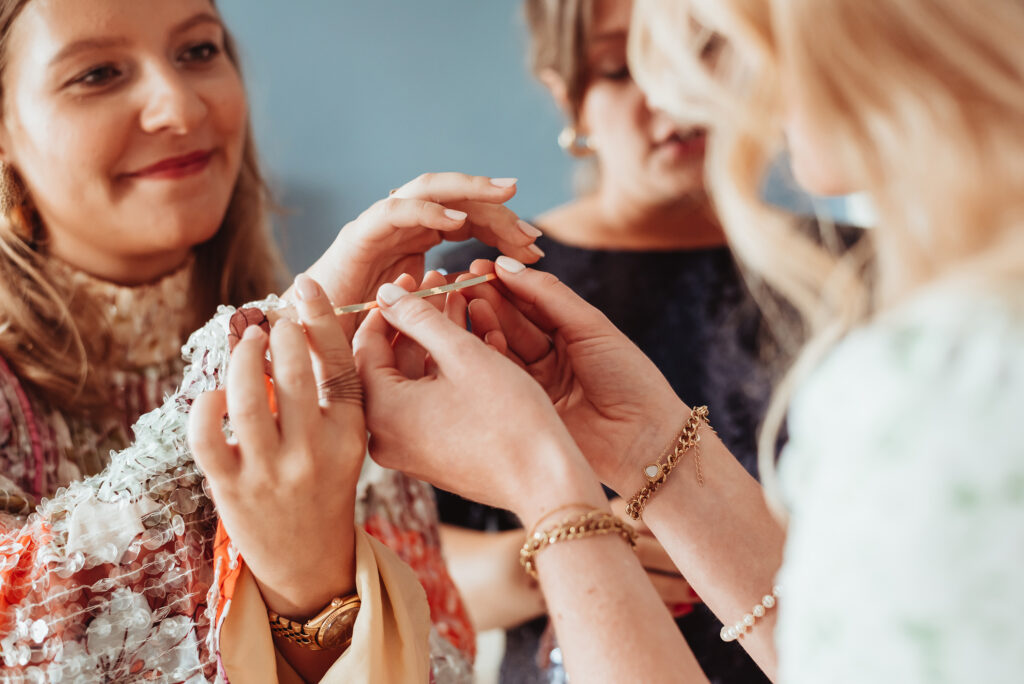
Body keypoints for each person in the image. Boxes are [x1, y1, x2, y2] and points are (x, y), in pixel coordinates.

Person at [353, 0, 1024, 681]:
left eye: (720, 47)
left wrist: (552, 487)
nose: (679, 94)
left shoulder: (938, 358)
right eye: (623, 67)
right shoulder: (959, 343)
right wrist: (645, 445)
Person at [0, 0, 543, 680]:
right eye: (99, 73)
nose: (181, 108)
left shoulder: (337, 354)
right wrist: (265, 358)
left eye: (198, 51)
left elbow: (442, 660)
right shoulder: (299, 348)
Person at [430, 1, 772, 681]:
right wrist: (570, 543)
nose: (671, 93)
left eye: (703, 53)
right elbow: (399, 569)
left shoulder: (861, 272)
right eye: (621, 67)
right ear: (570, 98)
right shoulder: (495, 279)